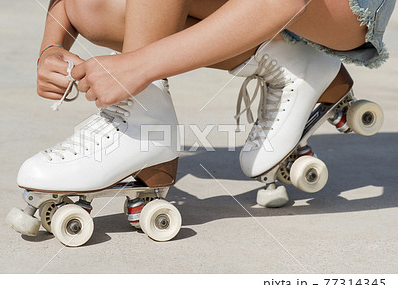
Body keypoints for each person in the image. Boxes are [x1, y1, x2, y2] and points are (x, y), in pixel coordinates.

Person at [20, 0, 395, 193]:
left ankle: (141, 122)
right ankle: (290, 60)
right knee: (93, 9)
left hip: (342, 9)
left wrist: (139, 66)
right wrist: (50, 47)